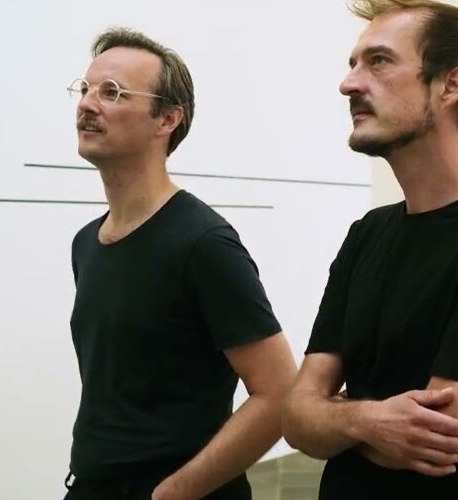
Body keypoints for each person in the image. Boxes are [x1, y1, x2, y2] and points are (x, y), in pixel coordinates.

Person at [281, 1, 458, 499]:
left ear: (450, 85)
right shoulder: (367, 234)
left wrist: (335, 416)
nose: (349, 84)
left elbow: (429, 437)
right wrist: (368, 420)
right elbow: (295, 418)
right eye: (353, 64)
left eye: (379, 61)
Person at [63, 28, 296, 500]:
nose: (88, 104)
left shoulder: (204, 244)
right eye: (85, 88)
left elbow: (279, 394)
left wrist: (174, 492)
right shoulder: (87, 243)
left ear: (167, 119)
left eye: (112, 92)